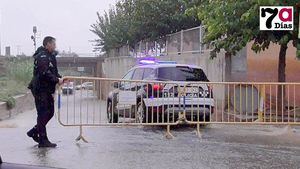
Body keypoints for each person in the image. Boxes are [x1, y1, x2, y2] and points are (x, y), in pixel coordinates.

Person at [27, 36, 64, 148]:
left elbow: (53, 72)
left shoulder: (50, 56)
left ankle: (34, 131)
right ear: (47, 44)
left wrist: (61, 78)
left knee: (50, 112)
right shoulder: (42, 56)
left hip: (47, 89)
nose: (55, 46)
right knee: (43, 113)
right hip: (40, 89)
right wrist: (57, 80)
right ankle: (43, 140)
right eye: (53, 44)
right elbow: (44, 73)